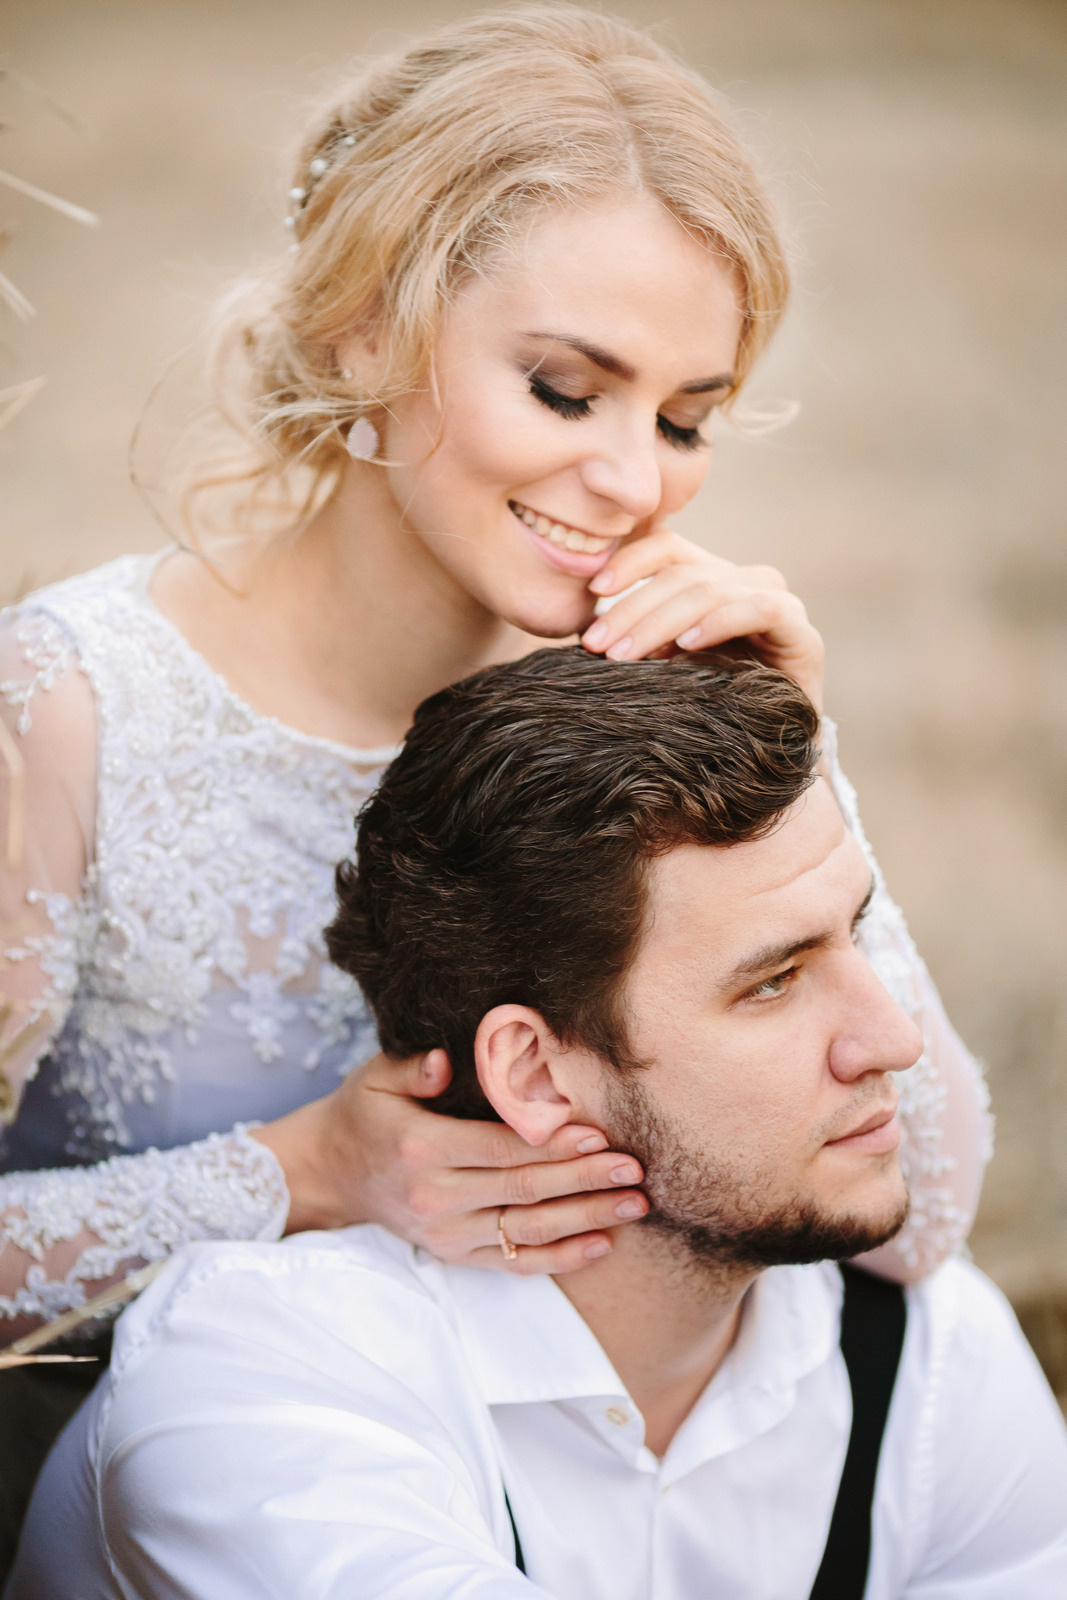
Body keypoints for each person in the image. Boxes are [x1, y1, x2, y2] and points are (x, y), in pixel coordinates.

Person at [0, 0, 987, 1541]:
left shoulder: (627, 708)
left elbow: (915, 1226)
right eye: (560, 388)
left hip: (538, 1489)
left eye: (682, 416)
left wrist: (797, 755)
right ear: (365, 328)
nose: (630, 479)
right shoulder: (73, 708)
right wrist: (299, 1170)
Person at [12, 648, 1063, 1600]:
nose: (891, 1038)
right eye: (774, 982)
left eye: (857, 936)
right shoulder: (258, 1380)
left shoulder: (926, 1355)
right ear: (537, 1073)